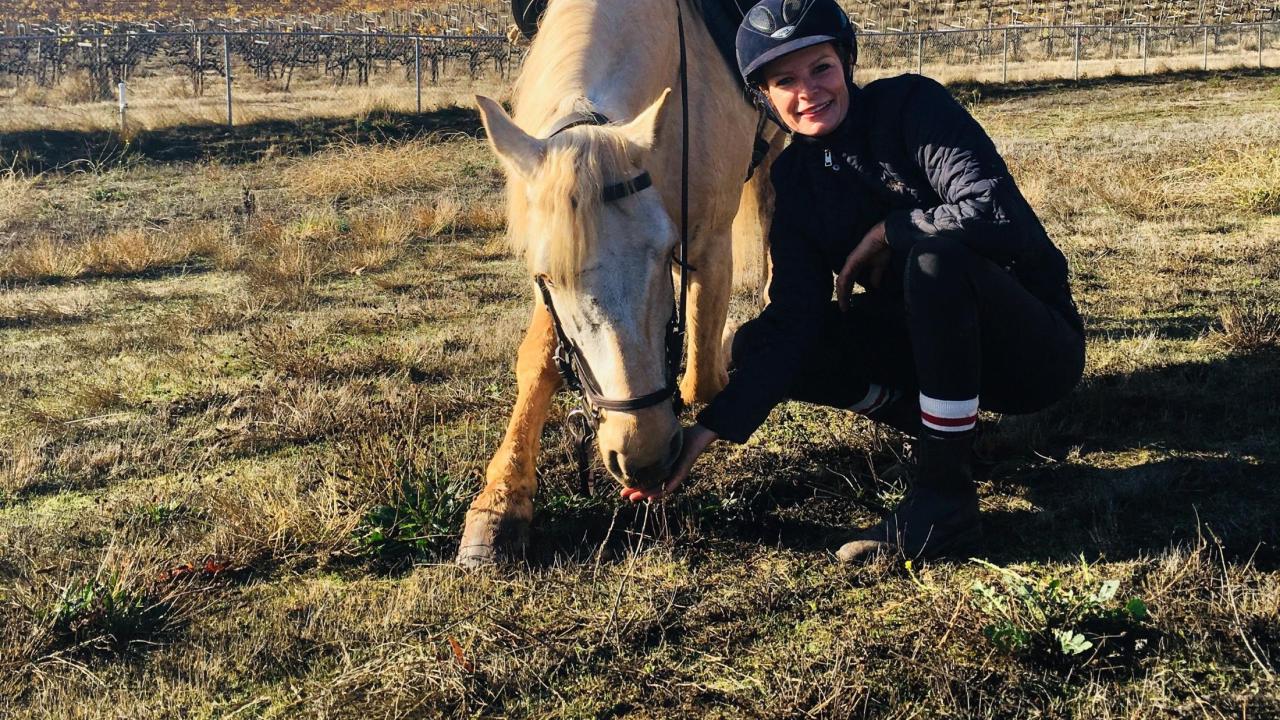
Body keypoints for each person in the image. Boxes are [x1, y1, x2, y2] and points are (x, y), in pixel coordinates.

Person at [620, 0, 1086, 564]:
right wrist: (706, 432)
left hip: (1032, 353)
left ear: (847, 61)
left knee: (933, 261)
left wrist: (892, 230)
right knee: (757, 344)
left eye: (821, 68)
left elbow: (995, 211)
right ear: (763, 97)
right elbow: (795, 319)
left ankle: (946, 499)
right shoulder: (794, 177)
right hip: (930, 352)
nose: (808, 92)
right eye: (784, 81)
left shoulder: (911, 105)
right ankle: (939, 430)